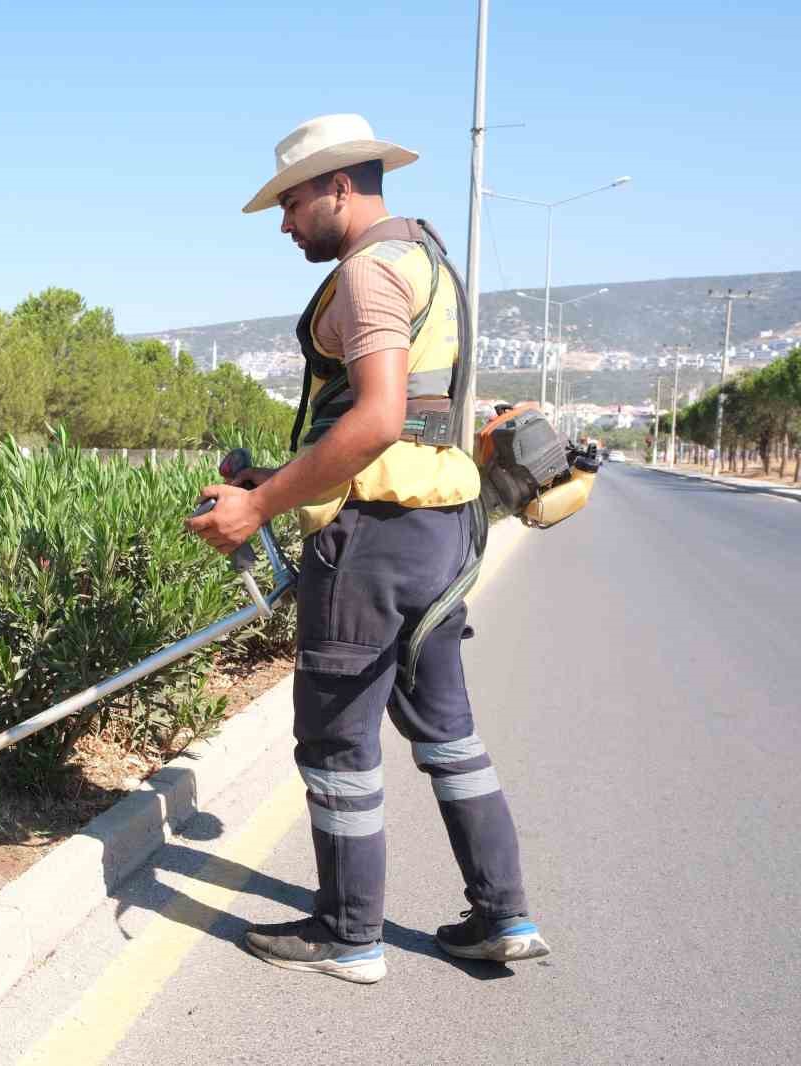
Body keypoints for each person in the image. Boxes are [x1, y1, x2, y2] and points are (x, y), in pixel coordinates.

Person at [186, 113, 551, 984]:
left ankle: (349, 936)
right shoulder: (426, 257)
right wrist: (278, 474)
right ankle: (504, 917)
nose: (284, 222)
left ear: (340, 187)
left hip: (372, 542)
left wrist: (259, 504)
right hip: (439, 528)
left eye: (292, 201)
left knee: (336, 742)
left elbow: (378, 417)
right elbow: (410, 424)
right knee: (447, 732)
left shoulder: (365, 273)